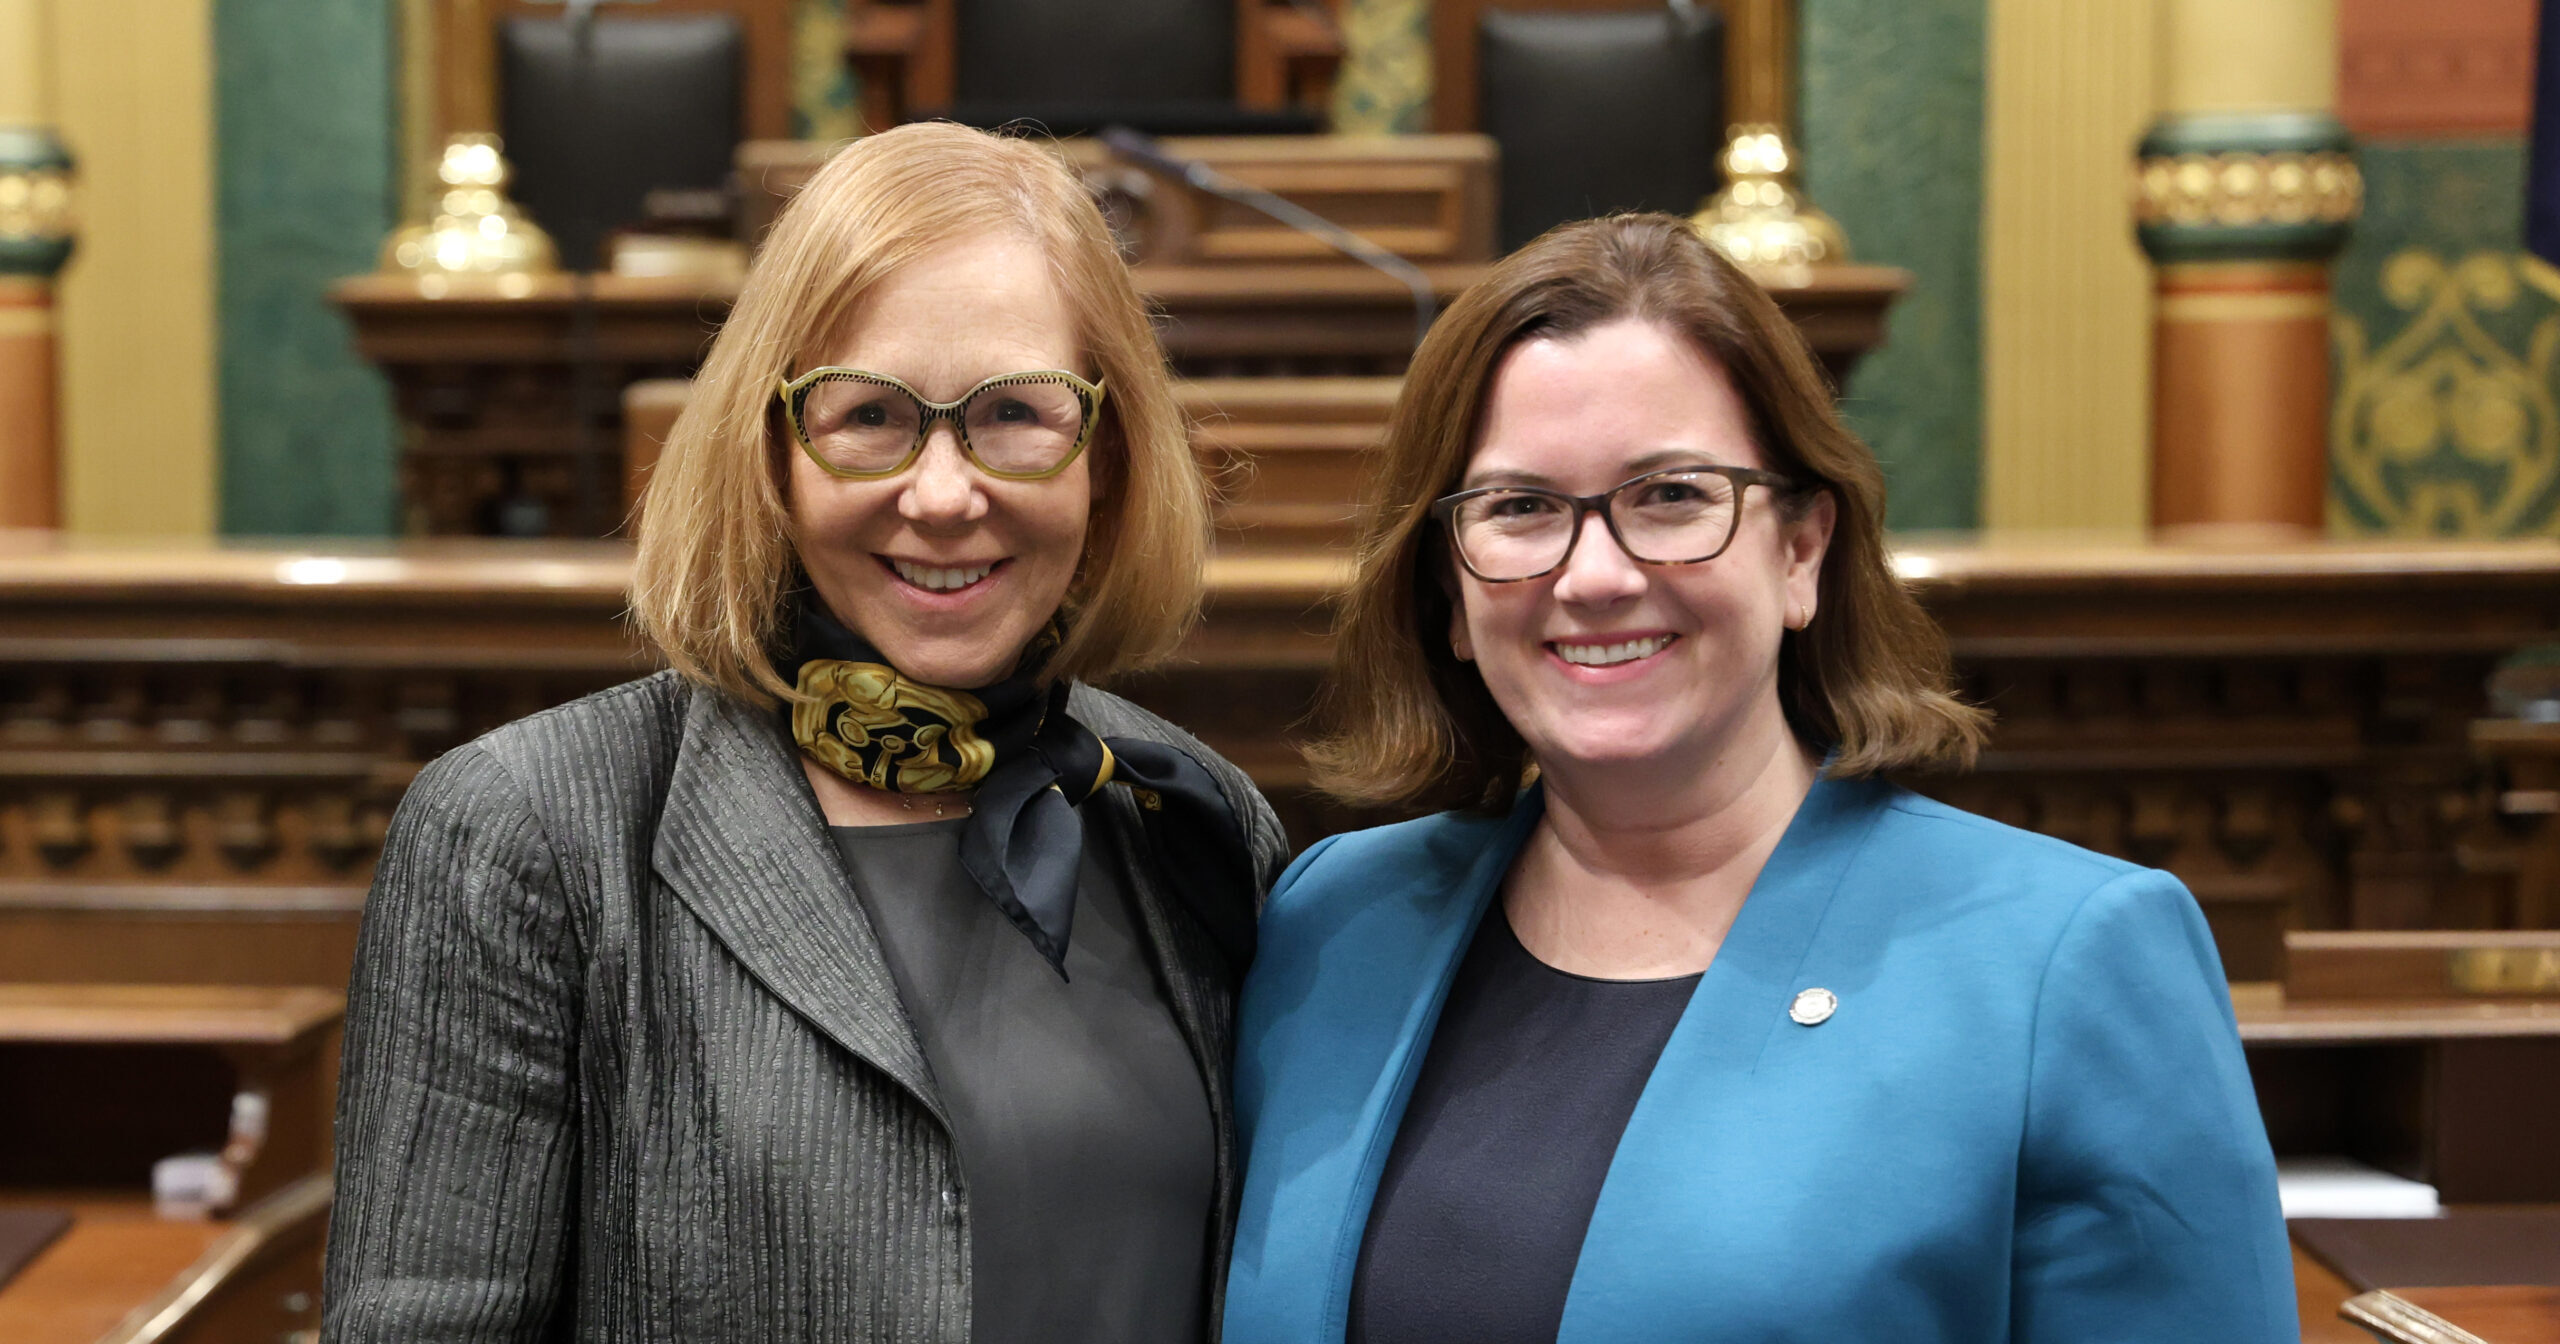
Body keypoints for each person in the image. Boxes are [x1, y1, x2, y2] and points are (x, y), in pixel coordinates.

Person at [1221, 214, 2295, 1344]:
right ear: (1448, 590)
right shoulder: (1334, 923)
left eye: (1671, 496)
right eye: (1521, 508)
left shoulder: (2064, 961)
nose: (1592, 575)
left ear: (1800, 550)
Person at [324, 122, 1287, 1344]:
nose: (944, 494)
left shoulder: (1188, 816)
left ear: (1108, 452)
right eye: (869, 415)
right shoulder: (528, 833)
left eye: (1016, 415)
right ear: (770, 449)